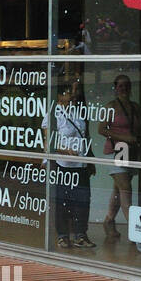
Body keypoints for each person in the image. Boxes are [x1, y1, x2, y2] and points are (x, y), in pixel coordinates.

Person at [44, 77, 95, 249]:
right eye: (68, 92)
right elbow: (48, 143)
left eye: (75, 91)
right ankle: (63, 235)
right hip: (62, 164)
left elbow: (84, 136)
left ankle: (81, 235)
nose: (73, 95)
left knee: (82, 199)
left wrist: (90, 158)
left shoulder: (78, 111)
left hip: (80, 164)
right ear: (59, 96)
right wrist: (67, 152)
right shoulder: (53, 114)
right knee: (62, 201)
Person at [98, 73, 141, 242]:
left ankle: (109, 221)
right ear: (115, 88)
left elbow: (140, 130)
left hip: (130, 151)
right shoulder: (110, 106)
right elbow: (101, 129)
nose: (124, 88)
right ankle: (136, 231)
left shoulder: (136, 107)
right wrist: (124, 138)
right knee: (126, 190)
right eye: (120, 86)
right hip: (117, 149)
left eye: (127, 85)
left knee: (118, 189)